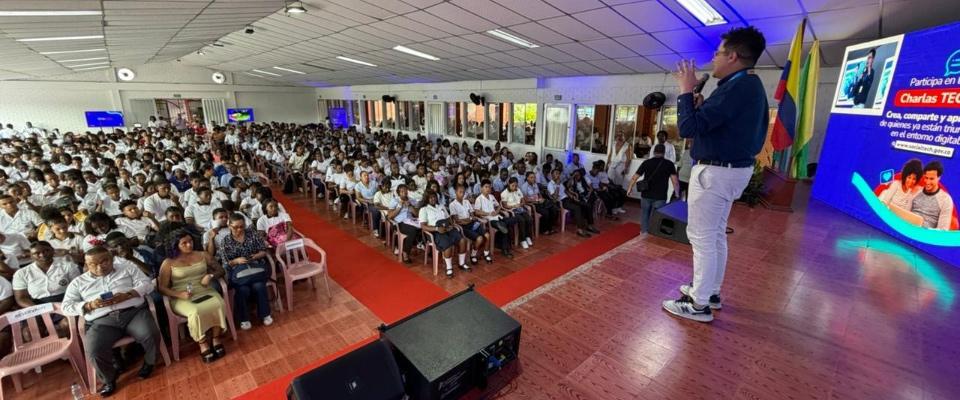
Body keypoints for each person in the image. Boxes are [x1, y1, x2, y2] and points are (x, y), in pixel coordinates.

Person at [662, 26, 769, 322]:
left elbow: (688, 129)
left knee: (701, 237)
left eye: (718, 53)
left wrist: (685, 91)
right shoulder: (746, 85)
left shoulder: (737, 88)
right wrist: (698, 104)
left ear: (733, 56)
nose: (714, 58)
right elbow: (709, 123)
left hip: (716, 173)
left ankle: (698, 305)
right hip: (730, 171)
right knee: (715, 235)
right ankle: (709, 292)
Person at [62, 247, 161, 396]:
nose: (99, 267)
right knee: (94, 350)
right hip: (102, 322)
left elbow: (147, 284)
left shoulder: (127, 268)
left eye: (104, 261)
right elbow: (66, 307)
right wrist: (89, 305)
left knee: (150, 333)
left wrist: (129, 294)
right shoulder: (78, 283)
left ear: (112, 259)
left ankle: (150, 362)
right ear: (87, 264)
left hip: (133, 313)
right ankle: (109, 379)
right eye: (93, 264)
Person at [158, 229, 227, 363]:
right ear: (176, 245)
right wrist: (178, 294)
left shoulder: (203, 255)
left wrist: (210, 275)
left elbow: (220, 270)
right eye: (184, 243)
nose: (189, 245)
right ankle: (203, 343)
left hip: (204, 290)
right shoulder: (168, 262)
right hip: (181, 296)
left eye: (190, 241)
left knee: (218, 303)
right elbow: (162, 288)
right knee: (195, 311)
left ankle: (216, 338)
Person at [218, 214, 274, 330]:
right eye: (235, 227)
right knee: (242, 290)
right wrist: (236, 261)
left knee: (259, 286)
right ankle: (244, 318)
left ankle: (265, 314)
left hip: (256, 269)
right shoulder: (225, 241)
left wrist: (255, 256)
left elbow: (263, 251)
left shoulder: (252, 235)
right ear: (229, 226)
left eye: (242, 226)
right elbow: (225, 264)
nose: (239, 229)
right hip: (238, 274)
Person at [628, 144, 681, 234]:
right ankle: (653, 233)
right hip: (660, 196)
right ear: (664, 152)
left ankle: (644, 232)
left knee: (645, 214)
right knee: (656, 216)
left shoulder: (646, 162)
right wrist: (676, 193)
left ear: (654, 152)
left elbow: (635, 177)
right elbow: (675, 181)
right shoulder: (669, 164)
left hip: (646, 194)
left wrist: (630, 188)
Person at [419, 191, 468, 277]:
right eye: (430, 197)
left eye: (434, 197)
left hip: (447, 228)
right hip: (435, 232)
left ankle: (462, 263)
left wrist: (451, 225)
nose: (433, 199)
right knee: (447, 245)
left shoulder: (441, 206)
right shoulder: (424, 209)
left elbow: (448, 219)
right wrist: (436, 229)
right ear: (426, 199)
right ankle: (449, 267)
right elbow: (423, 226)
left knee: (462, 240)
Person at [449, 184, 491, 264]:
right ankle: (473, 254)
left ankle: (486, 253)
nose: (462, 194)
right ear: (456, 192)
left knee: (487, 235)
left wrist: (469, 219)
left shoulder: (467, 202)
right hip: (463, 227)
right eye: (460, 192)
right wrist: (468, 219)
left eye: (463, 192)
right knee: (479, 239)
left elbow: (472, 215)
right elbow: (457, 220)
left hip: (472, 223)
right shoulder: (452, 205)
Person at [910, 161, 954, 230]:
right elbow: (905, 213)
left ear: (939, 178)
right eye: (926, 178)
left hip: (927, 234)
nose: (927, 182)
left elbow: (943, 229)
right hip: (908, 228)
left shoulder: (945, 199)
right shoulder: (916, 191)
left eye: (931, 179)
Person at [500, 178, 534, 249]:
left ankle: (528, 237)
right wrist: (514, 206)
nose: (514, 187)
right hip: (512, 211)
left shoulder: (518, 190)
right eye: (513, 185)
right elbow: (504, 205)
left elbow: (523, 200)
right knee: (522, 220)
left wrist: (521, 204)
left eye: (516, 185)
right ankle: (522, 240)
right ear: (509, 184)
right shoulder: (504, 193)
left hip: (520, 209)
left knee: (529, 219)